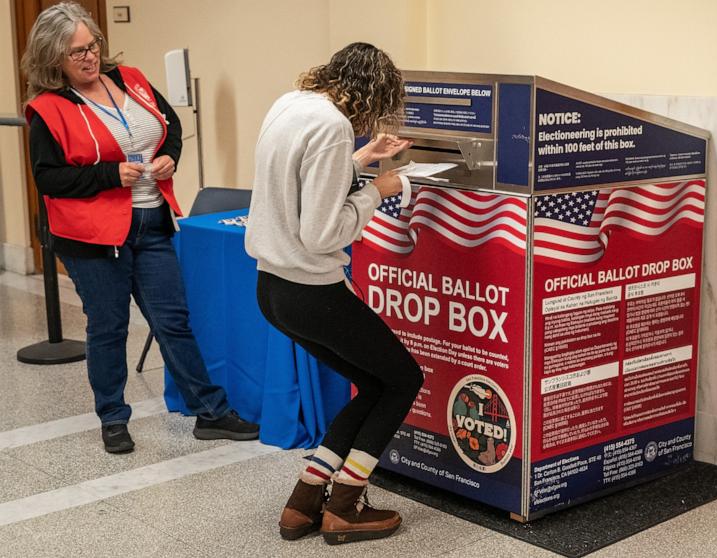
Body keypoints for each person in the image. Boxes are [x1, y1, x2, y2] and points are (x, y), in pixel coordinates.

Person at [22, 1, 259, 454]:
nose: (89, 57)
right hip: (93, 236)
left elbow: (167, 127)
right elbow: (47, 178)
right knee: (108, 327)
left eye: (92, 46)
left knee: (173, 321)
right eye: (77, 53)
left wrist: (172, 155)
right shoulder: (48, 110)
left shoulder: (130, 79)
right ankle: (113, 418)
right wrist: (109, 175)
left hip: (153, 221)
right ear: (54, 58)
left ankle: (209, 412)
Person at [246, 42, 423, 545]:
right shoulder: (332, 125)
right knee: (403, 379)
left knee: (374, 383)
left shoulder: (291, 103)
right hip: (312, 291)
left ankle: (305, 502)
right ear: (370, 93)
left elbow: (300, 182)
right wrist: (377, 190)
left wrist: (362, 157)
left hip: (272, 287)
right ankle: (346, 505)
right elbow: (323, 232)